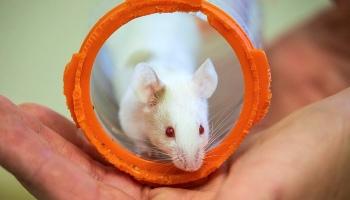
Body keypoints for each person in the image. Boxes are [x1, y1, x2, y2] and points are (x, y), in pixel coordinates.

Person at [0, 1, 349, 199]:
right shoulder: (144, 95)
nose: (192, 159)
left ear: (205, 87)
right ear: (146, 95)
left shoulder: (192, 87)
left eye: (199, 129)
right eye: (170, 133)